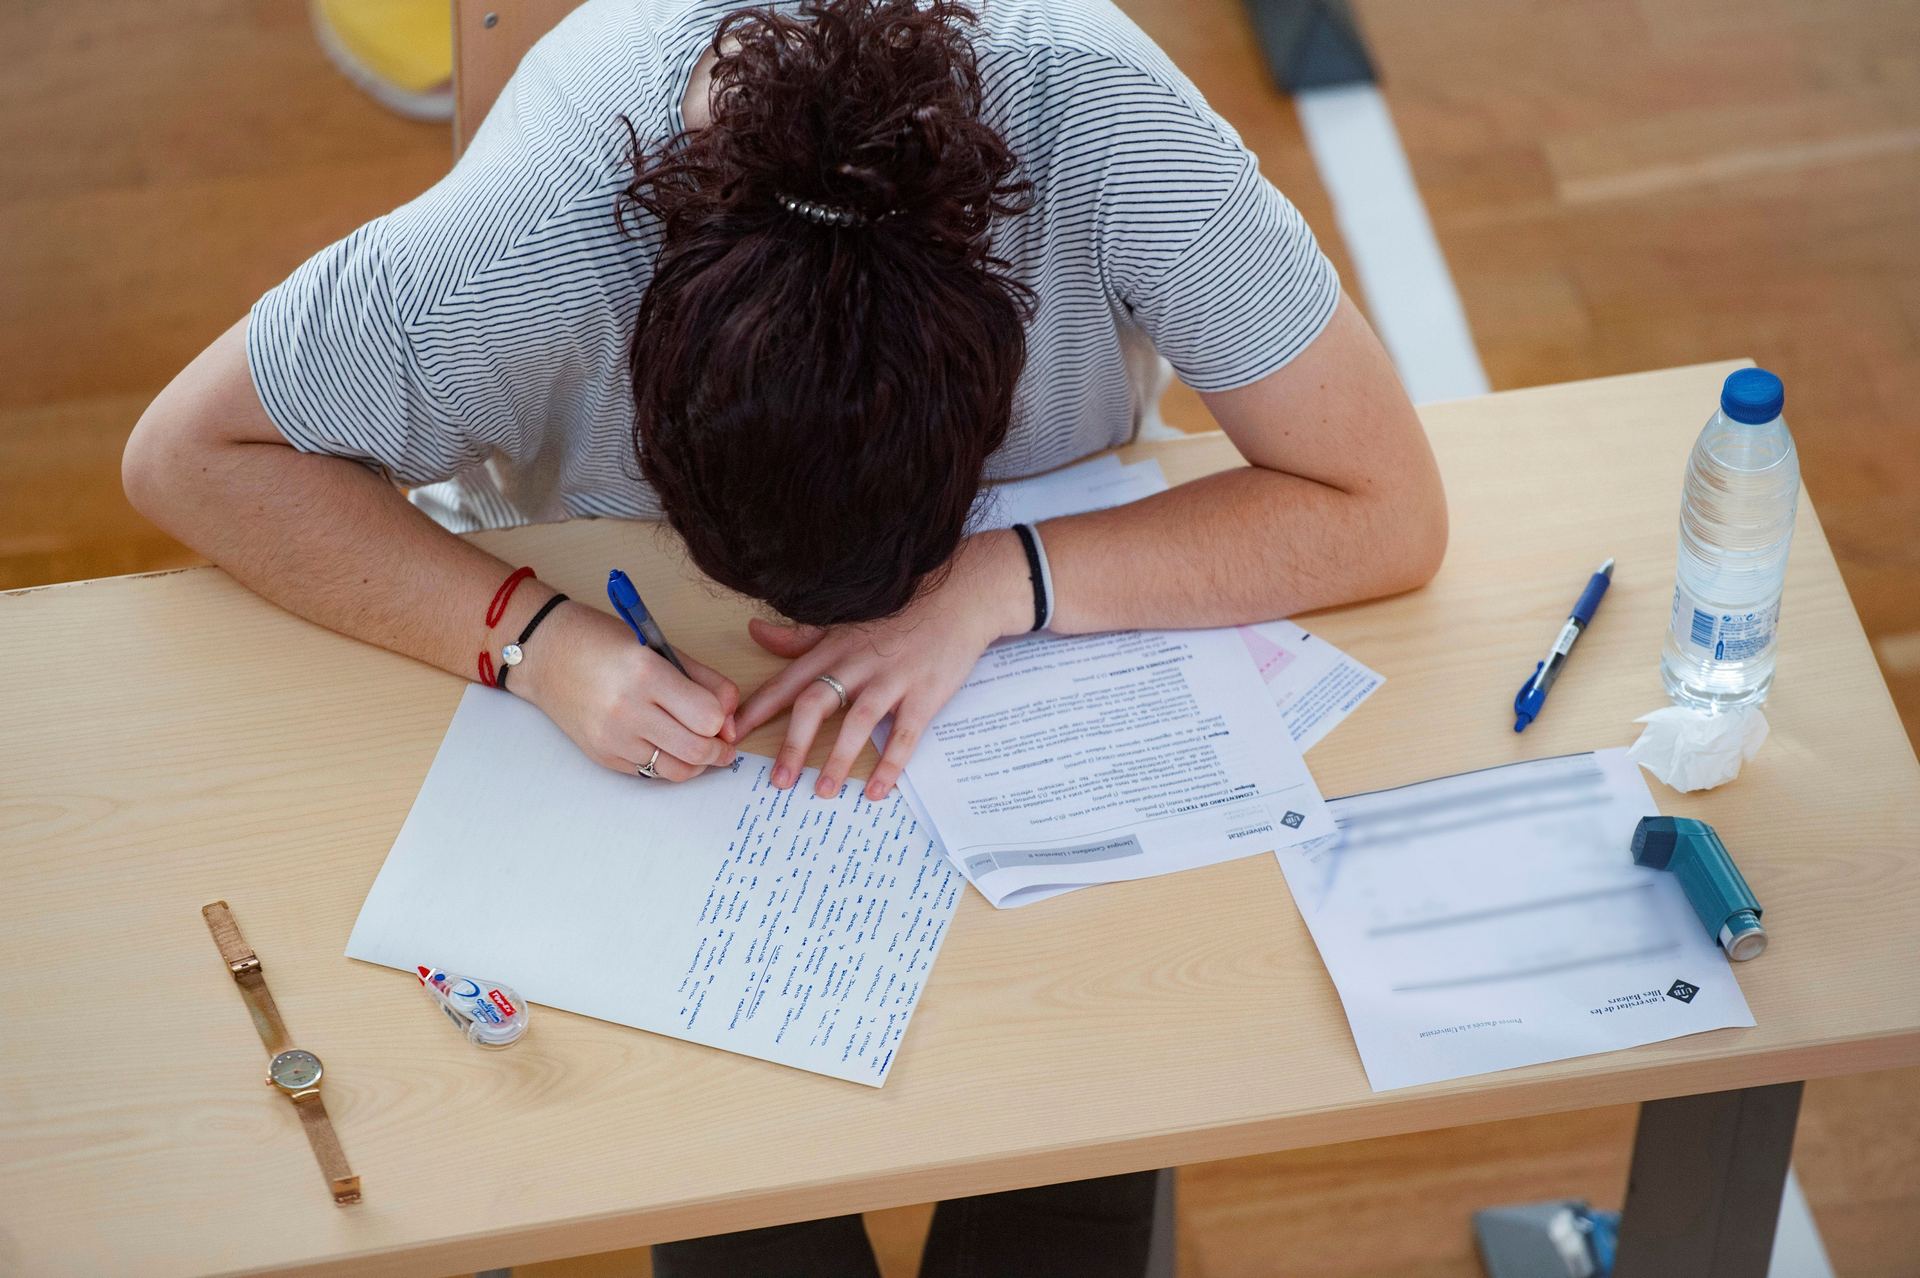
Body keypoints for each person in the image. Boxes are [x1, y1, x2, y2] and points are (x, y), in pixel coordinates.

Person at [124, 0, 1446, 1270]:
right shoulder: (517, 239)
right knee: (737, 1170)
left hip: (1033, 685)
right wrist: (531, 638)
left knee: (1079, 1113)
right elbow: (188, 456)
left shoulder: (1113, 123)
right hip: (624, 690)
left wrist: (990, 581)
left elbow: (1388, 504)